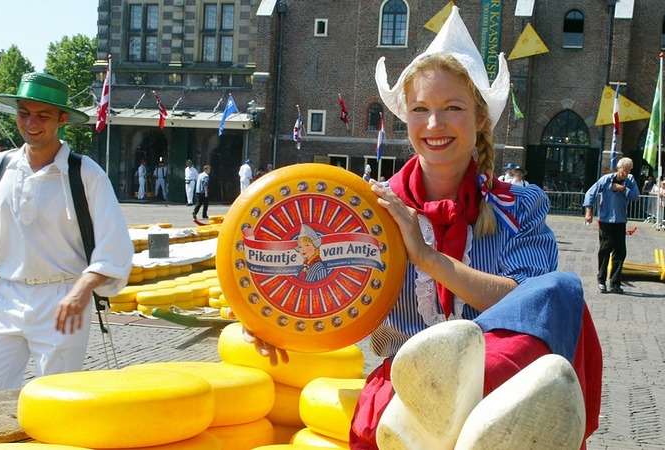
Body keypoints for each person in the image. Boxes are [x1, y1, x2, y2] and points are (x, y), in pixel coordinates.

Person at [242, 7, 602, 450]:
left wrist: (427, 257)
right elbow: (331, 295)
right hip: (406, 393)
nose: (434, 125)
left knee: (561, 292)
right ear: (405, 117)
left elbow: (531, 308)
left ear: (480, 118)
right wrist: (270, 321)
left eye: (452, 108)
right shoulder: (367, 209)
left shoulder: (518, 205)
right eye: (420, 109)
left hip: (500, 387)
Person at [0, 72, 133, 396]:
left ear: (62, 119)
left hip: (62, 299)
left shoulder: (85, 173)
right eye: (24, 113)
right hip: (8, 296)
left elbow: (115, 244)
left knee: (54, 400)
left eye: (42, 115)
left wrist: (82, 289)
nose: (31, 123)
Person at [583, 157, 639, 295]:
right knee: (605, 249)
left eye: (628, 171)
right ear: (618, 169)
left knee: (620, 252)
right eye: (623, 170)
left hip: (620, 221)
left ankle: (615, 283)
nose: (625, 173)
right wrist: (589, 212)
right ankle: (601, 280)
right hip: (606, 220)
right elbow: (591, 192)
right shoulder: (607, 179)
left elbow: (636, 196)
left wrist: (623, 189)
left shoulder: (630, 180)